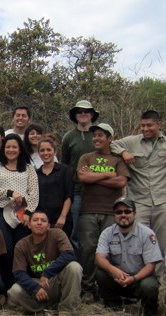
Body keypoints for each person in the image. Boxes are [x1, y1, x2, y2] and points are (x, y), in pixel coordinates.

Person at [110, 110, 166, 260]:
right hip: (139, 201)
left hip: (163, 202)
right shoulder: (132, 141)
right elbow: (112, 144)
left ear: (159, 125)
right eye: (142, 126)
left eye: (149, 125)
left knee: (161, 243)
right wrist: (124, 152)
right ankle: (141, 278)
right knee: (139, 241)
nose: (145, 129)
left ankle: (158, 279)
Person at [77, 123, 129, 299]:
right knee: (88, 250)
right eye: (95, 136)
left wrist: (95, 177)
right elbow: (83, 177)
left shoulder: (118, 159)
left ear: (109, 139)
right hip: (88, 210)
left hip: (111, 211)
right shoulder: (86, 157)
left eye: (100, 135)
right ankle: (88, 289)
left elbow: (121, 182)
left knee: (112, 250)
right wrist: (109, 175)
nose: (96, 139)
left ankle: (111, 289)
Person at [0, 134, 39, 288]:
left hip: (22, 213)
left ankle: (22, 285)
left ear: (20, 149)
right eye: (8, 146)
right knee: (6, 249)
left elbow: (34, 193)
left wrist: (28, 213)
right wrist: (10, 193)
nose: (11, 149)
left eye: (14, 146)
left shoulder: (28, 169)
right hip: (0, 211)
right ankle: (7, 287)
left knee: (20, 249)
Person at [95, 198, 162, 316]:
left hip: (139, 279)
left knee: (149, 285)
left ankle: (149, 312)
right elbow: (99, 258)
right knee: (101, 274)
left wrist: (134, 278)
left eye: (127, 211)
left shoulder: (147, 234)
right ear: (114, 215)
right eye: (119, 212)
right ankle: (113, 307)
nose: (123, 215)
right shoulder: (107, 233)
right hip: (118, 278)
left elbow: (151, 266)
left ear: (134, 214)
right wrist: (113, 270)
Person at [7, 211, 82, 315]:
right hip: (37, 283)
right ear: (29, 225)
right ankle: (43, 309)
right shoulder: (21, 245)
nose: (39, 223)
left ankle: (66, 311)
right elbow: (19, 273)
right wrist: (35, 288)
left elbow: (69, 254)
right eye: (35, 220)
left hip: (55, 281)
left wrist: (47, 273)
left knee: (74, 267)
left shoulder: (57, 234)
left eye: (43, 220)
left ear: (48, 226)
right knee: (14, 291)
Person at [61, 100, 100, 256]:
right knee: (75, 232)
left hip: (98, 192)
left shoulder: (98, 135)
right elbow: (65, 165)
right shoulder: (69, 137)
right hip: (76, 191)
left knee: (97, 233)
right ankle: (78, 271)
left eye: (87, 111)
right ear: (75, 116)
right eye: (79, 111)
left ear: (92, 114)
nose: (83, 114)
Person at [36, 136, 73, 235]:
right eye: (42, 150)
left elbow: (69, 196)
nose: (45, 153)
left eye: (48, 149)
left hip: (61, 220)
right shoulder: (36, 174)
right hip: (41, 222)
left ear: (55, 151)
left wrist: (63, 217)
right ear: (39, 153)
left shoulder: (65, 170)